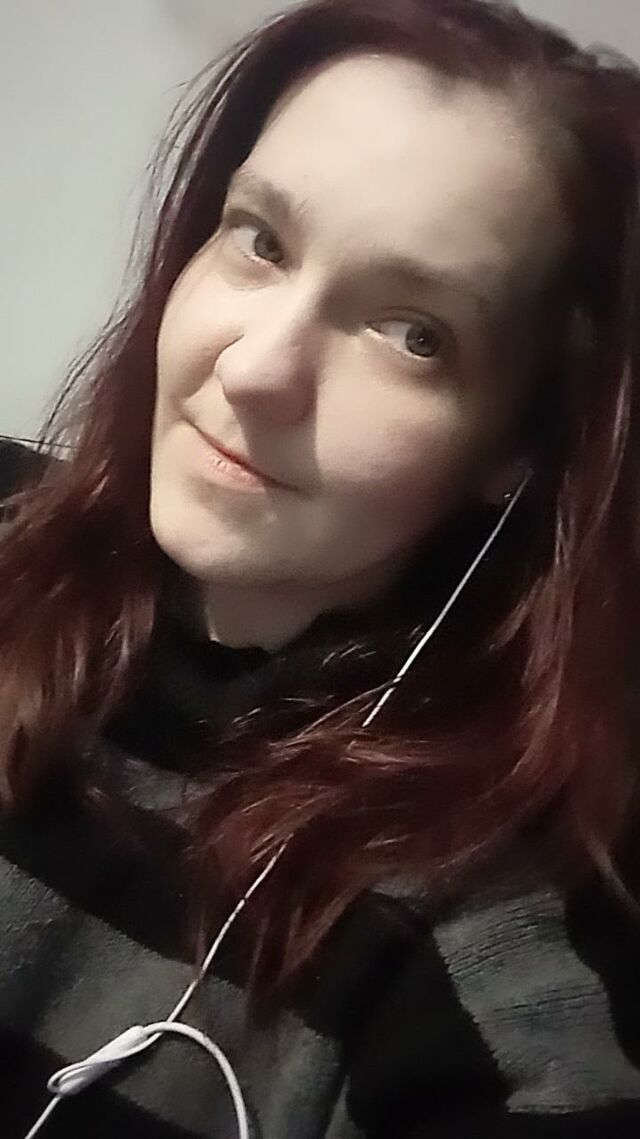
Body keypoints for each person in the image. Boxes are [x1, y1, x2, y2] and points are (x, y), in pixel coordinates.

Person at [1, 0, 640, 1134]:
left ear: (518, 445)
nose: (256, 370)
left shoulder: (475, 957)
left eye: (413, 332)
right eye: (261, 240)